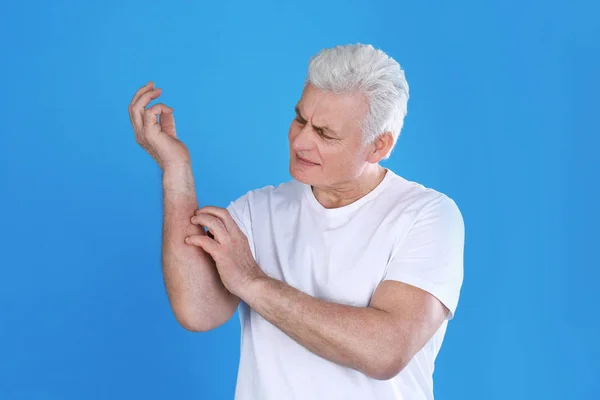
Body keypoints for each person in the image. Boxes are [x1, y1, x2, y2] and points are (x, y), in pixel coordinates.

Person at [127, 43, 465, 400]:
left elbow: (385, 352)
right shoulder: (257, 210)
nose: (300, 140)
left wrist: (251, 281)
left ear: (378, 147)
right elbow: (198, 311)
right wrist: (176, 170)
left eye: (324, 133)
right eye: (300, 119)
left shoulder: (427, 215)